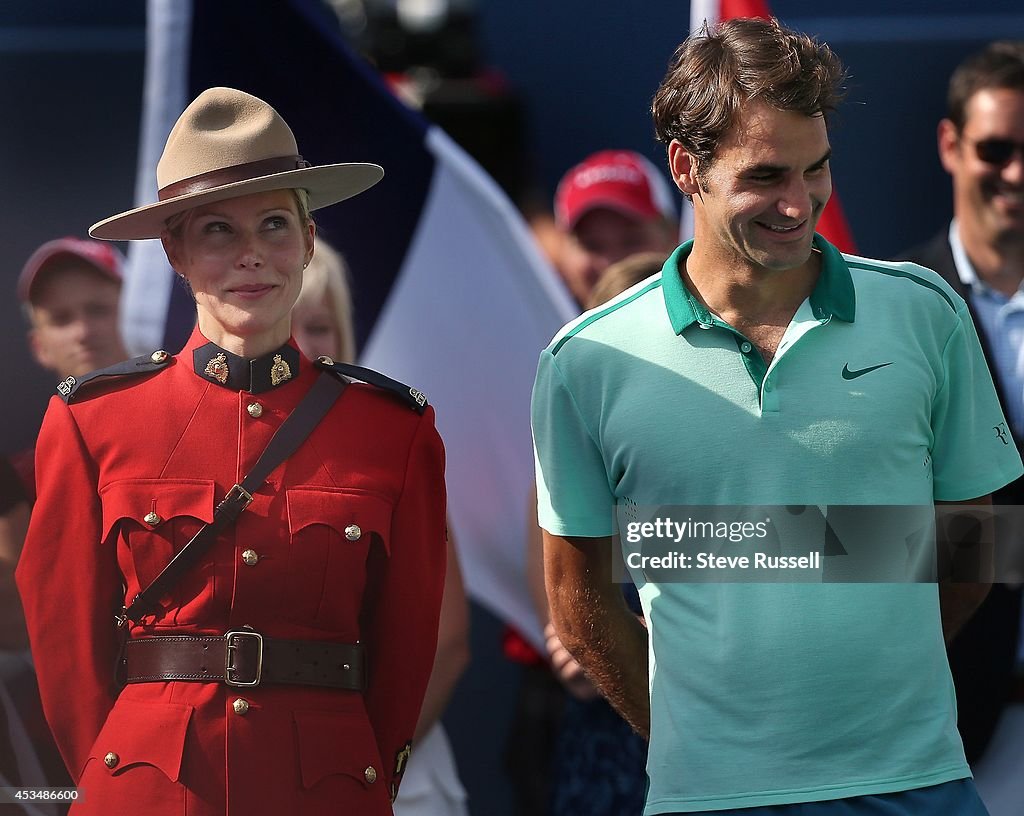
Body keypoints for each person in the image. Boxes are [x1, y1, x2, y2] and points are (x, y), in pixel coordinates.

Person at [532, 17, 1023, 816]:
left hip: (919, 785)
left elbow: (972, 547)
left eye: (817, 169)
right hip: (708, 799)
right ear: (687, 169)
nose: (800, 205)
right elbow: (577, 603)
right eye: (766, 176)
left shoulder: (925, 312)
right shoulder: (583, 361)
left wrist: (874, 702)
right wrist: (699, 740)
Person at [15, 87, 447, 816]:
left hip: (325, 791)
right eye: (218, 231)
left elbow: (404, 654)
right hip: (151, 791)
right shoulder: (93, 420)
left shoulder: (393, 429)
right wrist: (124, 776)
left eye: (274, 225)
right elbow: (65, 645)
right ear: (176, 252)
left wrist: (353, 774)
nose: (251, 255)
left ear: (308, 243)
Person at [291, 238, 470, 816]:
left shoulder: (393, 445)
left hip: (398, 782)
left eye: (317, 325)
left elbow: (446, 640)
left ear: (344, 334)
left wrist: (366, 763)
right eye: (285, 324)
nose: (301, 345)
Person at [896, 40, 1024, 810]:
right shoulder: (888, 312)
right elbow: (866, 526)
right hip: (946, 723)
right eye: (997, 148)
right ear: (951, 145)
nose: (1016, 173)